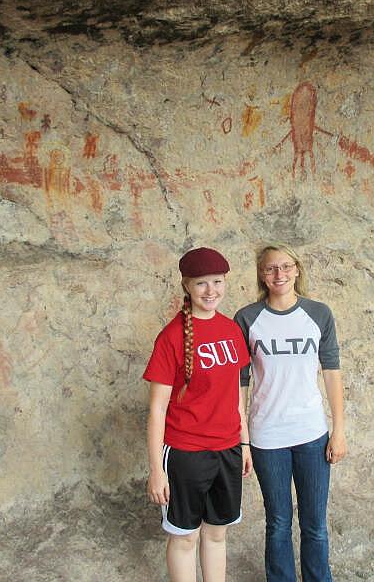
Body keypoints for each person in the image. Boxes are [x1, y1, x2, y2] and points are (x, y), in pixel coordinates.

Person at [234, 243, 347, 582]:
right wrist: (244, 441)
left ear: (297, 269)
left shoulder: (319, 313)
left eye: (285, 267)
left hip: (312, 434)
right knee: (279, 522)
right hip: (267, 435)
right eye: (270, 269)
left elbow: (332, 372)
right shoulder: (247, 318)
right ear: (262, 275)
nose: (278, 274)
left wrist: (338, 429)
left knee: (314, 523)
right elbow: (240, 384)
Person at [144, 247, 253, 582]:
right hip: (185, 454)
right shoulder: (171, 337)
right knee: (185, 537)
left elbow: (235, 395)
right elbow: (157, 407)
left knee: (217, 534)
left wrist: (244, 444)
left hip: (227, 450)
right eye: (202, 283)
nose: (211, 291)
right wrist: (155, 471)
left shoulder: (231, 330)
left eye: (217, 282)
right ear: (186, 285)